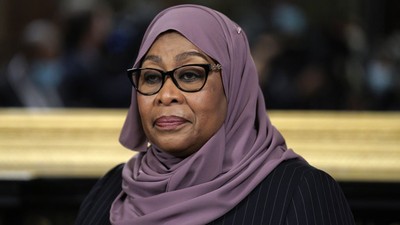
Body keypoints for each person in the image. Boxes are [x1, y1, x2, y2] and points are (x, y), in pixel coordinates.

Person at [75, 4, 355, 225]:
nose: (165, 94)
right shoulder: (113, 189)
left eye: (189, 74)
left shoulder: (299, 192)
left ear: (233, 86)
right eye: (151, 77)